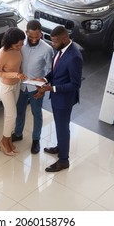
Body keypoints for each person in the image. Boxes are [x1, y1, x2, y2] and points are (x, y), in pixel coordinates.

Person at [34, 25, 83, 172]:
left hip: (64, 100)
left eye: (55, 42)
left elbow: (75, 84)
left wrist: (52, 88)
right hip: (56, 96)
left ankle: (63, 160)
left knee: (62, 128)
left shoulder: (74, 57)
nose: (52, 44)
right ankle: (60, 147)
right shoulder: (61, 50)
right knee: (59, 126)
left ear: (65, 38)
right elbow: (56, 71)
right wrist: (44, 79)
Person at [11, 20, 54, 154]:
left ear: (41, 34)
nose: (34, 39)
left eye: (37, 36)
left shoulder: (47, 49)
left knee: (37, 114)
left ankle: (36, 140)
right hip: (21, 86)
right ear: (26, 33)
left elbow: (51, 70)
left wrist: (44, 87)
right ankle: (18, 134)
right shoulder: (20, 45)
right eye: (31, 37)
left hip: (36, 88)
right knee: (19, 111)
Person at [0, 27, 27, 156]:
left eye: (22, 44)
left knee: (10, 115)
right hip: (6, 88)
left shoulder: (17, 49)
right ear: (10, 42)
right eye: (17, 45)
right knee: (12, 115)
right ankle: (4, 141)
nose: (20, 46)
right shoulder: (3, 53)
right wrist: (16, 75)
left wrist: (19, 76)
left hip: (16, 85)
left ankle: (7, 141)